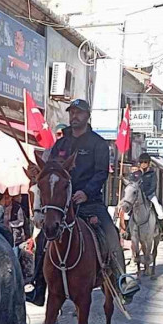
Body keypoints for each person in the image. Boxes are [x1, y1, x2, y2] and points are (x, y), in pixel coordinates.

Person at [27, 98, 128, 306]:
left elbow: (101, 173)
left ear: (87, 116)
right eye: (72, 112)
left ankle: (121, 282)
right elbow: (51, 169)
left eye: (79, 113)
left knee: (111, 233)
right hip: (62, 204)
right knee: (43, 240)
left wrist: (86, 193)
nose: (74, 116)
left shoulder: (98, 144)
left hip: (89, 202)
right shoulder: (61, 144)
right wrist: (37, 172)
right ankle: (38, 287)